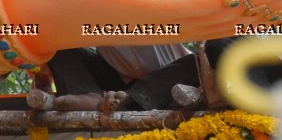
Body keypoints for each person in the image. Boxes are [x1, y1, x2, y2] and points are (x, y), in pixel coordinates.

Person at [28, 43, 203, 112]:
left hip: (169, 83)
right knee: (60, 44)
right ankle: (88, 95)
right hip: (121, 78)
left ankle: (128, 98)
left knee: (201, 59)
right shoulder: (83, 4)